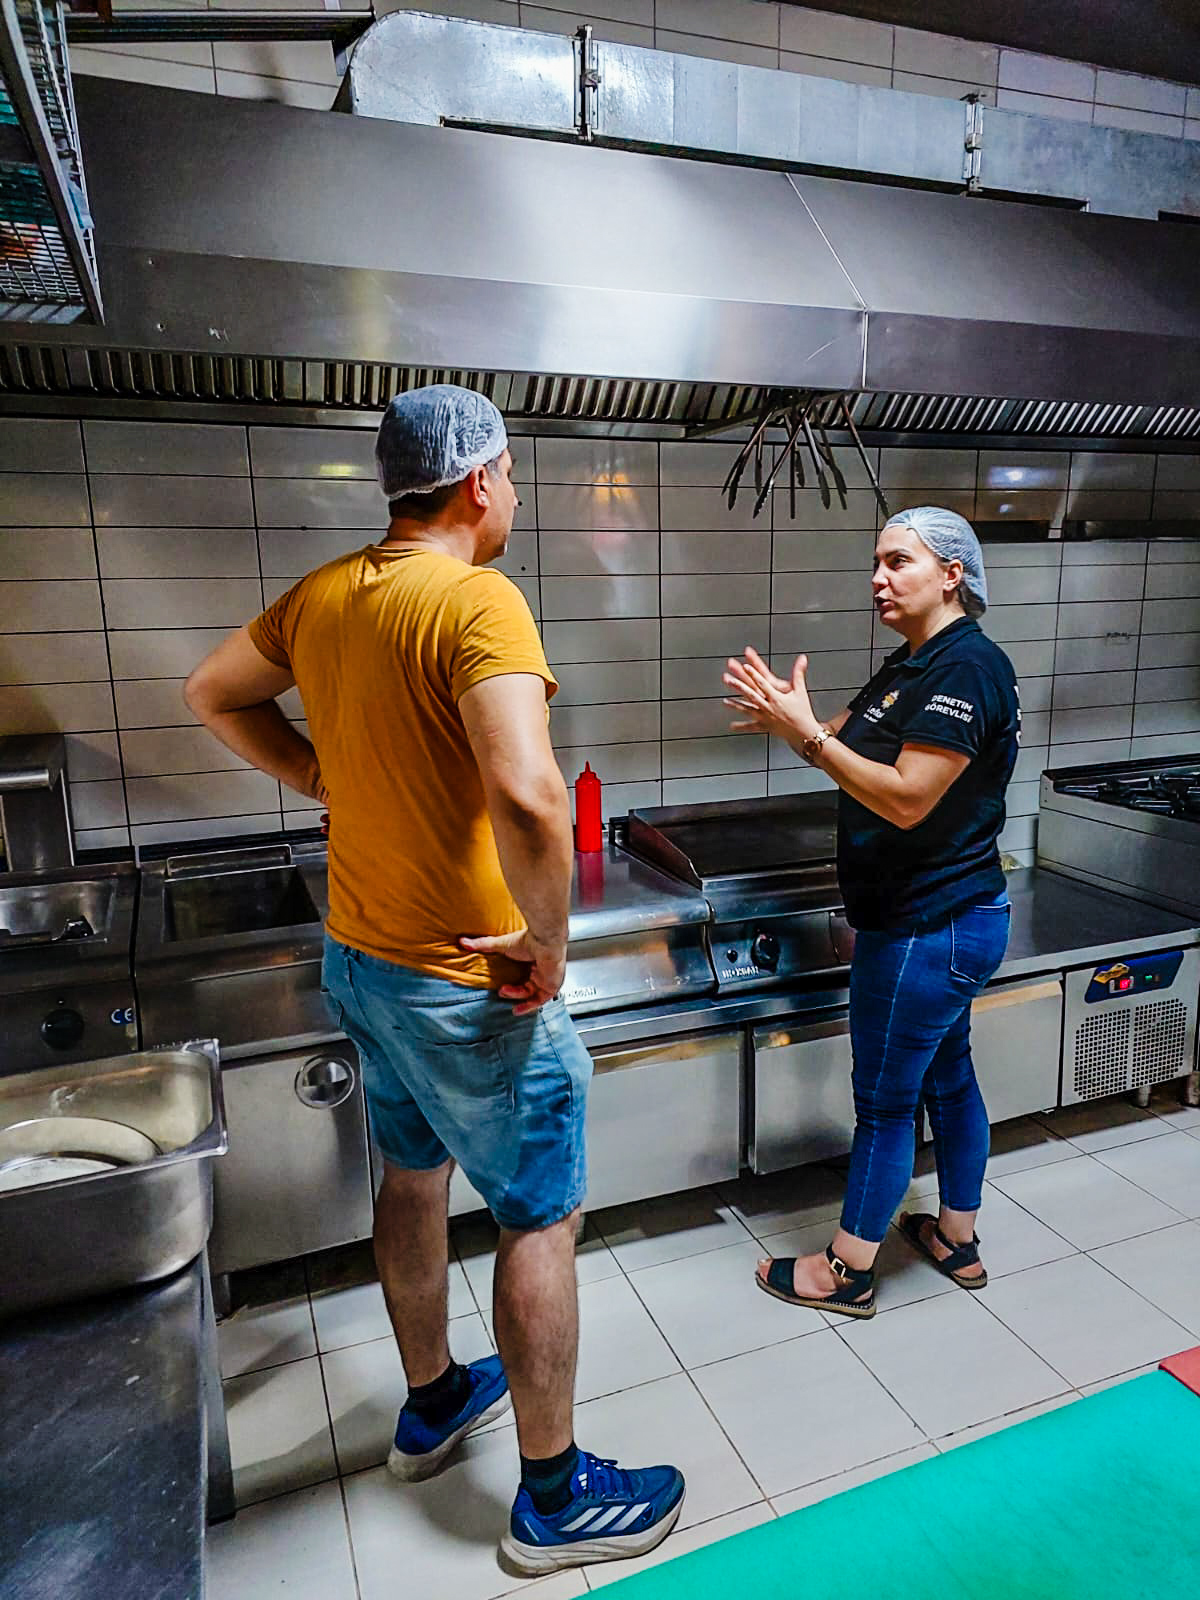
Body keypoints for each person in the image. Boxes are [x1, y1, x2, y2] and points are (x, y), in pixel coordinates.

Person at [184, 385, 683, 1575]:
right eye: (513, 476)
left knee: (411, 1179)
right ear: (477, 481)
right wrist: (548, 946)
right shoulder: (475, 599)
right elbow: (530, 796)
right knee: (538, 1212)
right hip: (467, 983)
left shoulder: (325, 595)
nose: (516, 497)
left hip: (362, 960)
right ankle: (553, 1499)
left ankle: (434, 1397)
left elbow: (212, 692)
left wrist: (321, 776)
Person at [724, 506, 1019, 1317]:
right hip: (940, 920)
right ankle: (956, 1238)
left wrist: (812, 739)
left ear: (952, 574)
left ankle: (846, 1270)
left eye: (898, 562)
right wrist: (794, 721)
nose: (878, 579)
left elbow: (908, 799)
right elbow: (839, 744)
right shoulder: (912, 664)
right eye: (876, 563)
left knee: (887, 1103)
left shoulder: (966, 668)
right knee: (949, 1077)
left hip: (930, 925)